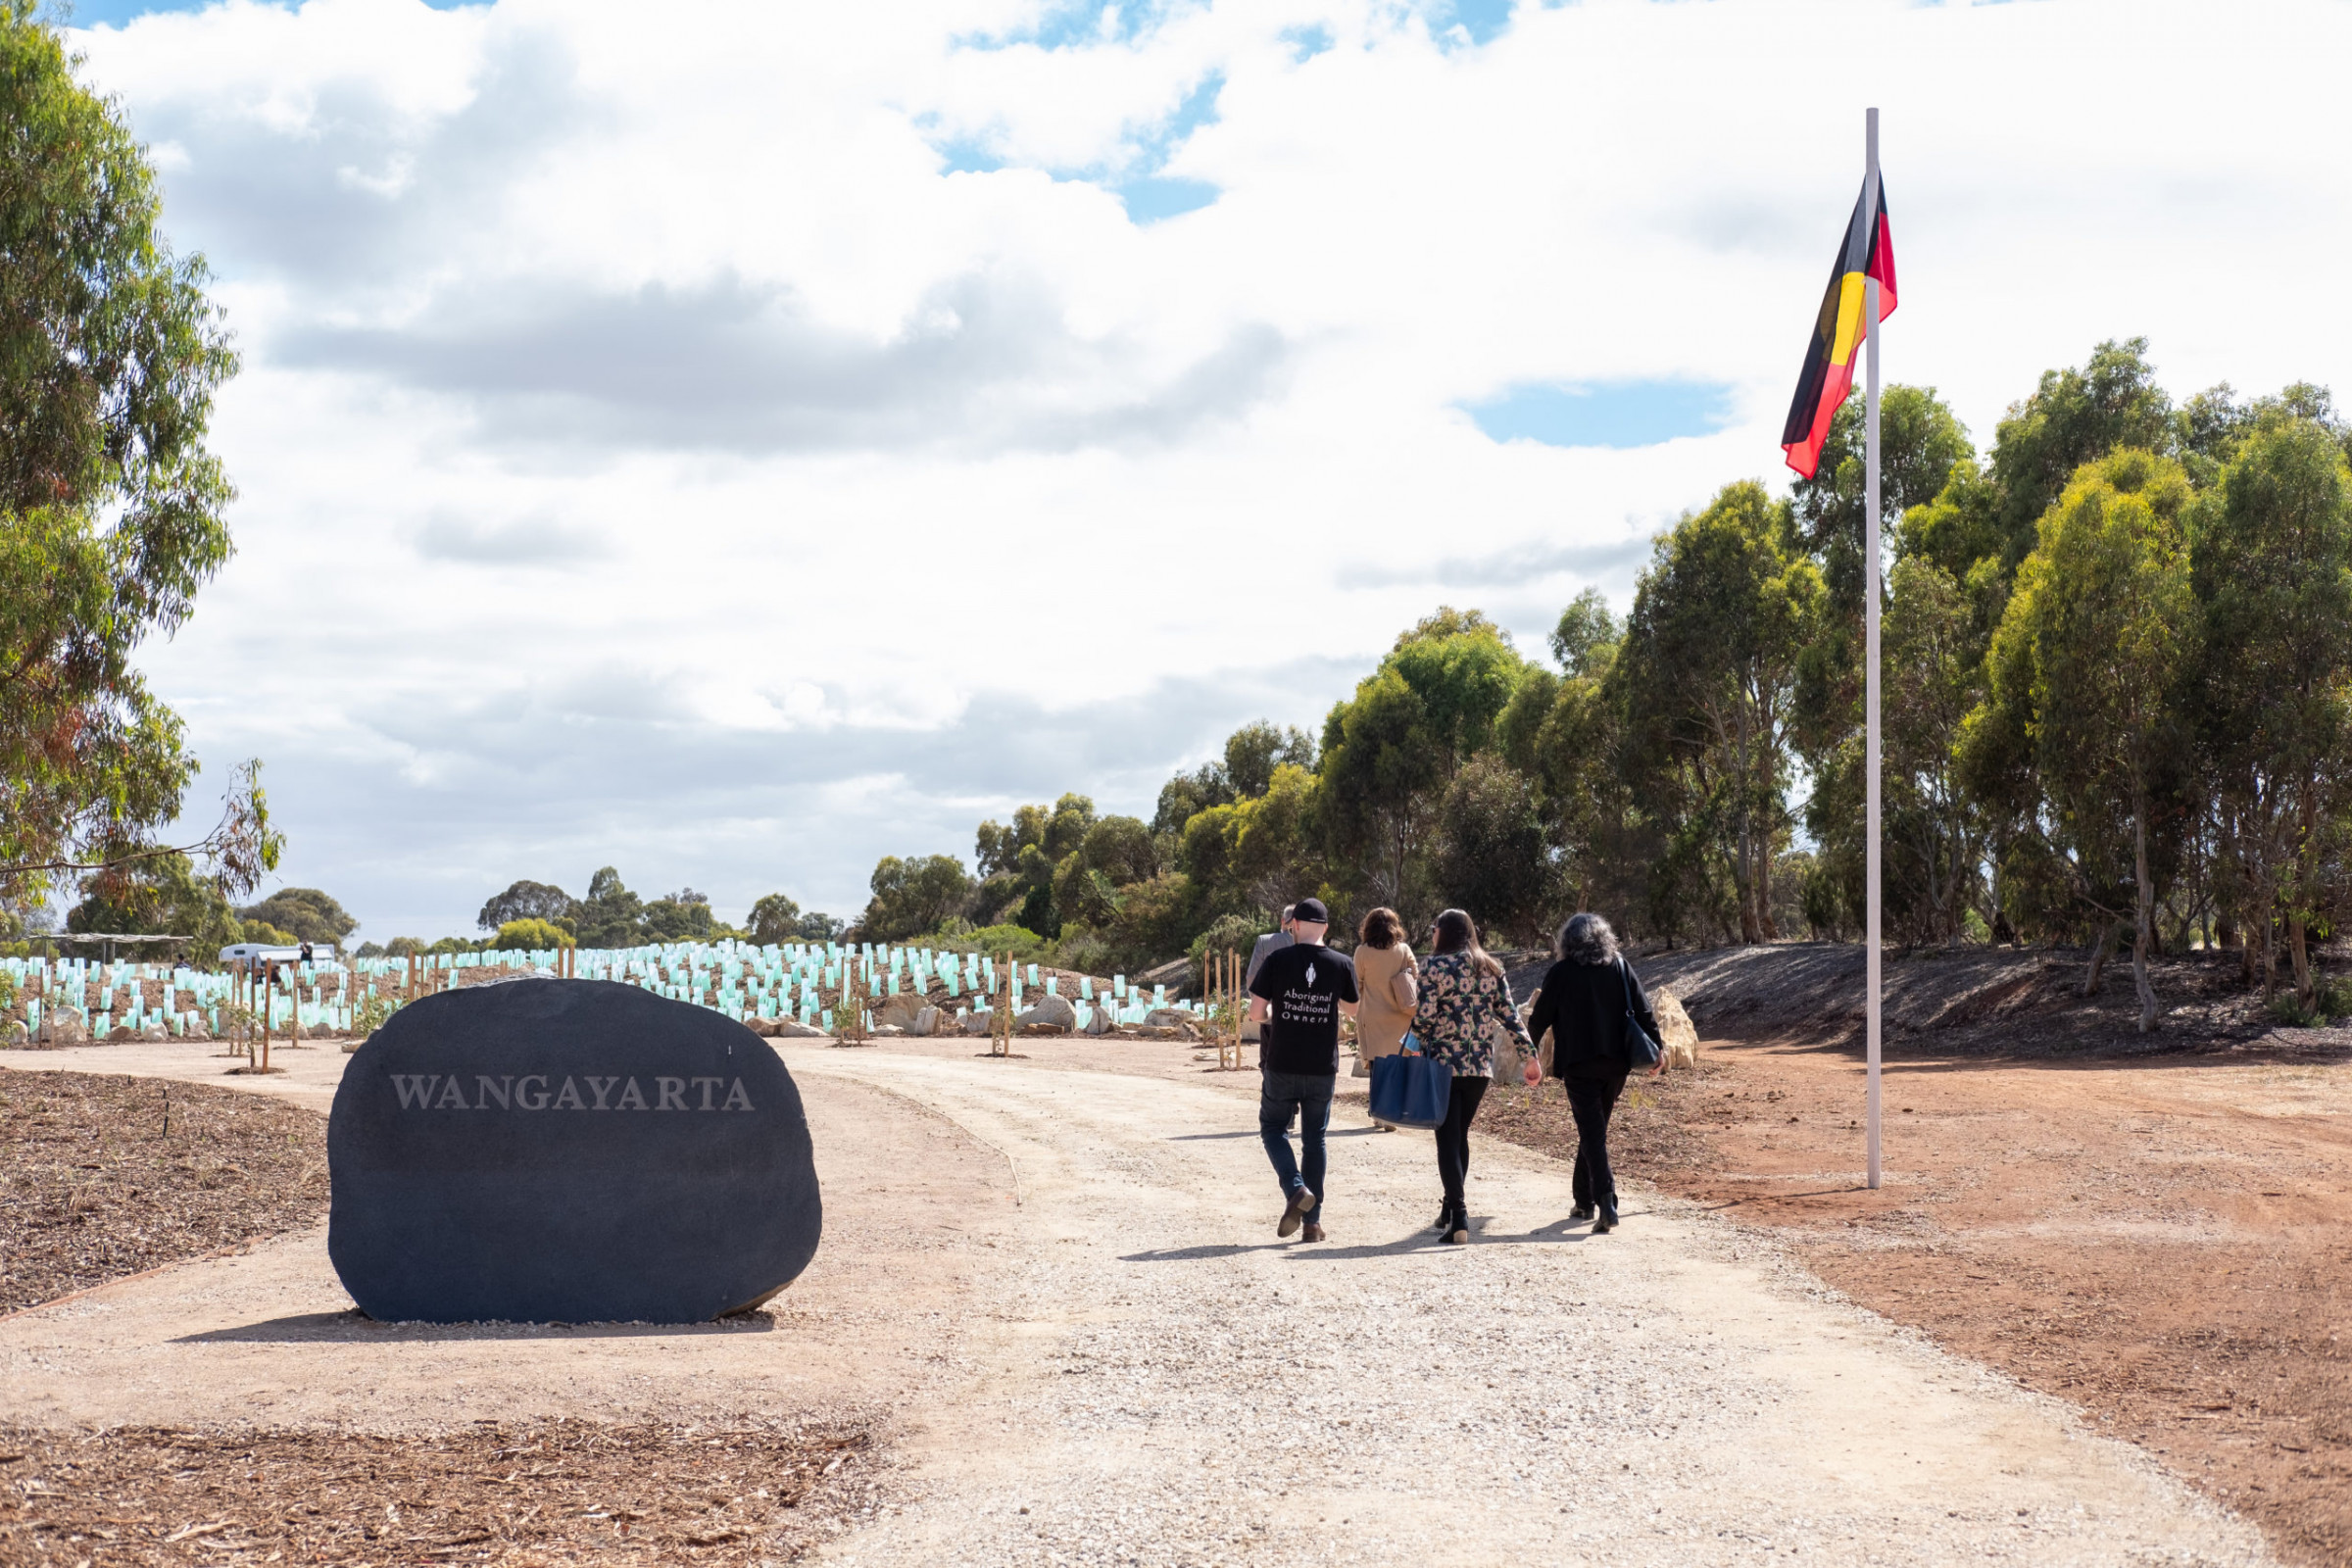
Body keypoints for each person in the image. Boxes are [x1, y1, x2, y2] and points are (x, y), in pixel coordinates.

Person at [1525, 911, 1660, 1235]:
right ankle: (1583, 1200)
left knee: (1592, 1133)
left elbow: (1539, 1019)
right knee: (1594, 1131)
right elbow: (1644, 1011)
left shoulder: (1561, 973)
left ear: (1567, 942)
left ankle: (1606, 1201)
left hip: (1579, 1065)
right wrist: (1659, 1049)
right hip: (1616, 1065)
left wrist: (1530, 1056)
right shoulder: (1620, 966)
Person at [1408, 908, 1537, 1245]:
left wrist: (1406, 1049)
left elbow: (1424, 1018)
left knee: (1447, 1140)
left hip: (1443, 1066)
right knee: (1459, 1135)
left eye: (1434, 928)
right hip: (1479, 1068)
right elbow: (1510, 1016)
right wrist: (1530, 1056)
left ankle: (1460, 1216)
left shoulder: (1434, 967)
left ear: (1444, 932)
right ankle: (1449, 1209)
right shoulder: (1491, 967)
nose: (1432, 933)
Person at [1247, 897, 1357, 1244]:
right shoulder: (1342, 963)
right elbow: (1353, 1010)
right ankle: (1312, 1223)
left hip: (1282, 1062)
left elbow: (1255, 1013)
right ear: (1326, 928)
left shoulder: (1277, 959)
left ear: (1293, 925)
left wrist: (1274, 1014)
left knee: (1273, 1129)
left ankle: (1295, 1188)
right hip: (1322, 1066)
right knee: (1315, 1139)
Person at [1351, 906, 1418, 1130]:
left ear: (1368, 927)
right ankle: (1393, 1113)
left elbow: (1357, 984)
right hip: (1402, 1017)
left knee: (1377, 1067)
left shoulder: (1362, 952)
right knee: (1398, 1066)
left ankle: (1379, 1113)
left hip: (1372, 1017)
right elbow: (1415, 976)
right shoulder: (1404, 950)